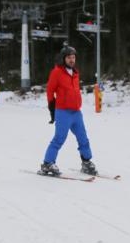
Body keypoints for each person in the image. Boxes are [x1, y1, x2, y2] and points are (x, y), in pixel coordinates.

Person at [39, 45, 96, 176]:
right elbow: (50, 91)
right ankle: (48, 163)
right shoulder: (57, 72)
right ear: (63, 58)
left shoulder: (75, 73)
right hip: (63, 112)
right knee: (59, 138)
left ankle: (86, 162)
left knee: (83, 138)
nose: (72, 60)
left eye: (73, 57)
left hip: (76, 112)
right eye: (69, 57)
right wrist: (52, 110)